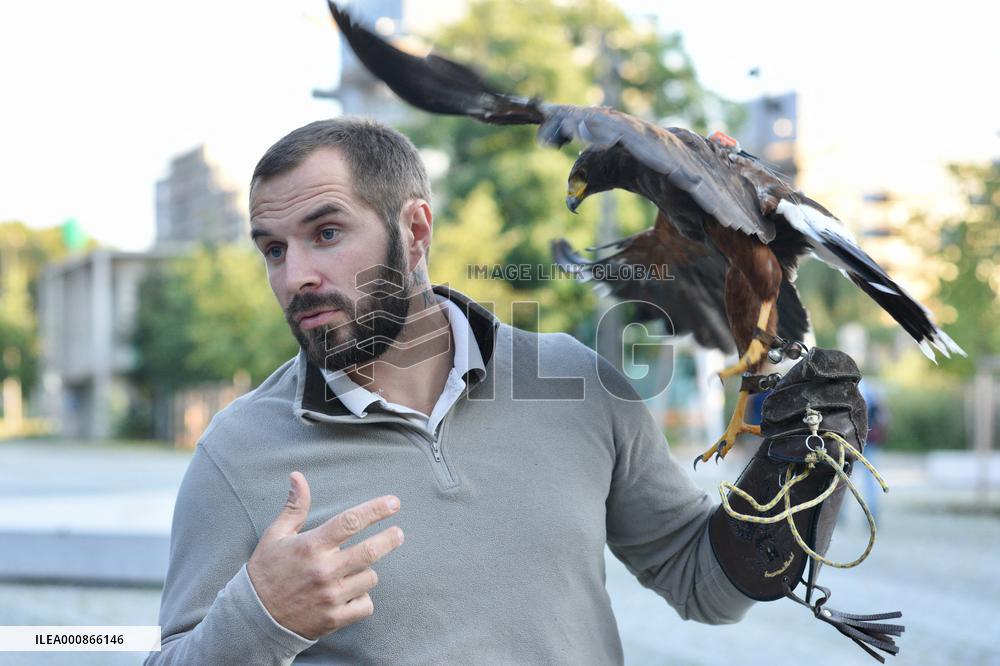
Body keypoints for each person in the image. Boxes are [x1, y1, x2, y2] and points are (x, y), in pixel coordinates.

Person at [146, 117, 869, 665]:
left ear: (416, 231)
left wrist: (791, 474)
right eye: (273, 248)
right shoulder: (238, 453)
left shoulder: (582, 385)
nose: (293, 274)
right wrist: (258, 618)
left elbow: (704, 583)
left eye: (325, 232)